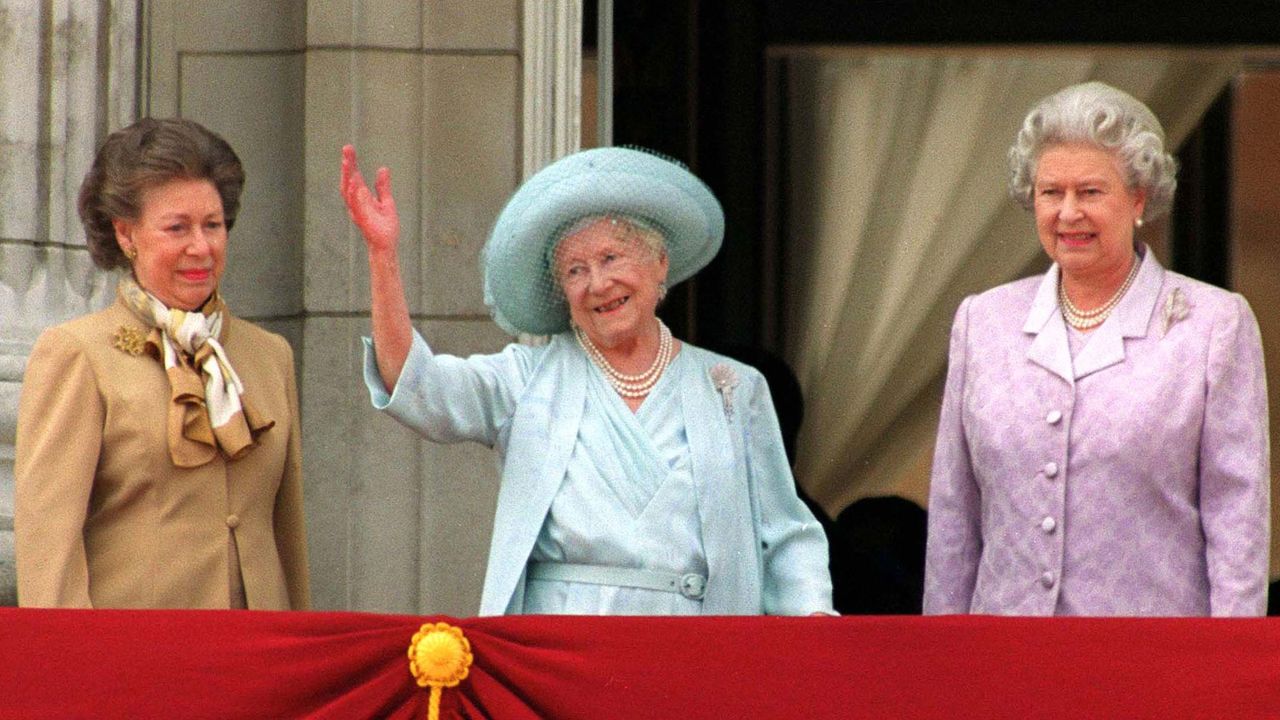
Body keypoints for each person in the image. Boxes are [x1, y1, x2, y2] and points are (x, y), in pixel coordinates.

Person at [341, 144, 833, 616]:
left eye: (612, 258)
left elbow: (786, 535)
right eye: (576, 270)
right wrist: (383, 256)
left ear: (659, 264)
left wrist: (814, 624)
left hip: (696, 651)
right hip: (561, 647)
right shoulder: (525, 380)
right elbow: (419, 386)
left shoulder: (733, 388)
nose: (598, 284)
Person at [923, 81, 1270, 616]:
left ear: (1137, 198)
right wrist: (944, 658)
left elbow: (1237, 519)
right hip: (1004, 663)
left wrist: (1228, 673)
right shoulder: (982, 322)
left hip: (1150, 667)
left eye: (1090, 192)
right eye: (1050, 192)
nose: (1068, 213)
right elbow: (954, 515)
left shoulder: (1212, 326)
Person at [15, 118, 309, 610]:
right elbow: (50, 552)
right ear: (126, 234)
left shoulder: (268, 355)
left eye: (213, 225)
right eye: (177, 227)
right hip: (137, 663)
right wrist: (73, 674)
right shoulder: (78, 354)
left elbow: (288, 538)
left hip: (257, 658)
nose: (201, 247)